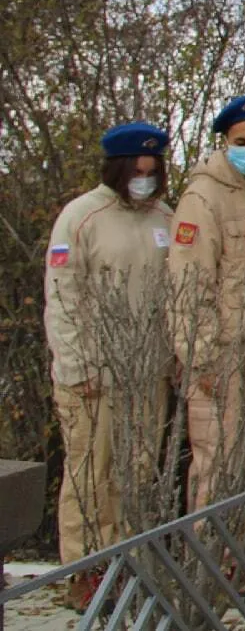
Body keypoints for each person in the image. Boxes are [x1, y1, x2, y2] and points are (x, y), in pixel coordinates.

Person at [45, 122, 174, 612]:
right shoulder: (82, 216)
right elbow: (62, 296)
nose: (144, 179)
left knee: (137, 475)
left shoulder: (164, 214)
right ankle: (84, 571)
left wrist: (174, 354)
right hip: (94, 375)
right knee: (89, 477)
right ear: (117, 169)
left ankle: (129, 564)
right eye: (136, 171)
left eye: (152, 171)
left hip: (149, 372)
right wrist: (78, 365)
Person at [168, 94, 245, 512]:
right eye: (243, 142)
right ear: (225, 141)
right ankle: (207, 565)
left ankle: (232, 562)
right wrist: (201, 359)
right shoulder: (202, 199)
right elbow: (189, 285)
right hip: (220, 354)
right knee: (216, 463)